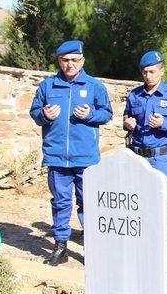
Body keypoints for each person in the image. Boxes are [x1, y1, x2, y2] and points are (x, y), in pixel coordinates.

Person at [29, 40, 112, 266]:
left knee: (89, 203)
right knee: (60, 202)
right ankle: (61, 247)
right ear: (59, 61)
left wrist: (90, 115)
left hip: (85, 157)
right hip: (57, 157)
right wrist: (45, 114)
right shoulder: (48, 86)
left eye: (74, 60)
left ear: (82, 60)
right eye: (65, 60)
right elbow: (35, 113)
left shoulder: (95, 86)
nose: (69, 65)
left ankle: (93, 248)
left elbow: (106, 114)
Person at [123, 51, 167, 274]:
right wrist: (128, 124)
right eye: (144, 72)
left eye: (152, 71)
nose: (148, 75)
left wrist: (164, 123)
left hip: (162, 157)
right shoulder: (135, 96)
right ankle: (144, 247)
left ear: (161, 70)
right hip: (139, 155)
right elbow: (127, 118)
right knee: (139, 202)